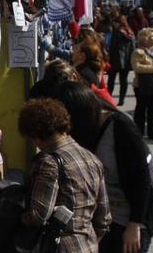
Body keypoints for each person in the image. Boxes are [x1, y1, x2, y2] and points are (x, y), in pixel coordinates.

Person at [41, 82, 153, 253]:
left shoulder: (121, 127)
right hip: (104, 221)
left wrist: (134, 225)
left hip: (129, 222)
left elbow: (142, 179)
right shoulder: (88, 130)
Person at [19, 98, 111, 252]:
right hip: (89, 245)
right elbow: (104, 218)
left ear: (36, 135)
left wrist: (16, 218)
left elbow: (39, 215)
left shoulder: (50, 162)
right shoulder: (91, 158)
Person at [131, 28, 153, 140]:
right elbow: (137, 67)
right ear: (144, 38)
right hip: (142, 85)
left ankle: (152, 132)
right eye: (152, 37)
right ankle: (139, 132)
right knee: (141, 110)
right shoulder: (138, 52)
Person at [72, 37, 116, 105]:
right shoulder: (88, 70)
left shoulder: (82, 75)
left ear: (82, 55)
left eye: (75, 49)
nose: (72, 51)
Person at [108, 15, 135, 106]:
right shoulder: (129, 31)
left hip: (115, 59)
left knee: (111, 80)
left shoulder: (117, 32)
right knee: (123, 80)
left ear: (118, 23)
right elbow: (133, 46)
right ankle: (121, 99)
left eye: (114, 22)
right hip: (126, 60)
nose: (113, 24)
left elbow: (112, 46)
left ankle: (109, 98)